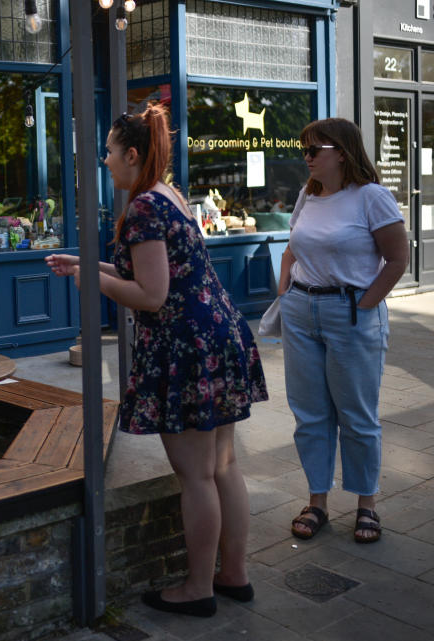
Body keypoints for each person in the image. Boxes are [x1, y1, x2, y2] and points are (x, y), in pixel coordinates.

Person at [46, 105, 267, 617]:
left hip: (187, 348)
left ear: (131, 154)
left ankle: (197, 588)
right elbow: (152, 270)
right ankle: (234, 574)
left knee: (197, 475)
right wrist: (85, 263)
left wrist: (92, 280)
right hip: (219, 335)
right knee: (223, 465)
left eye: (107, 151)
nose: (103, 161)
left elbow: (150, 294)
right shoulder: (169, 195)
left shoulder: (143, 207)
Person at [280, 118, 407, 544]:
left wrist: (364, 305)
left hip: (350, 312)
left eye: (315, 149)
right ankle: (318, 501)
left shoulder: (372, 197)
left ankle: (366, 504)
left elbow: (397, 260)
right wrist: (285, 296)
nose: (308, 157)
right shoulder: (307, 195)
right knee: (310, 414)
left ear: (343, 151)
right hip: (302, 311)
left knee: (357, 415)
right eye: (305, 150)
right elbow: (291, 249)